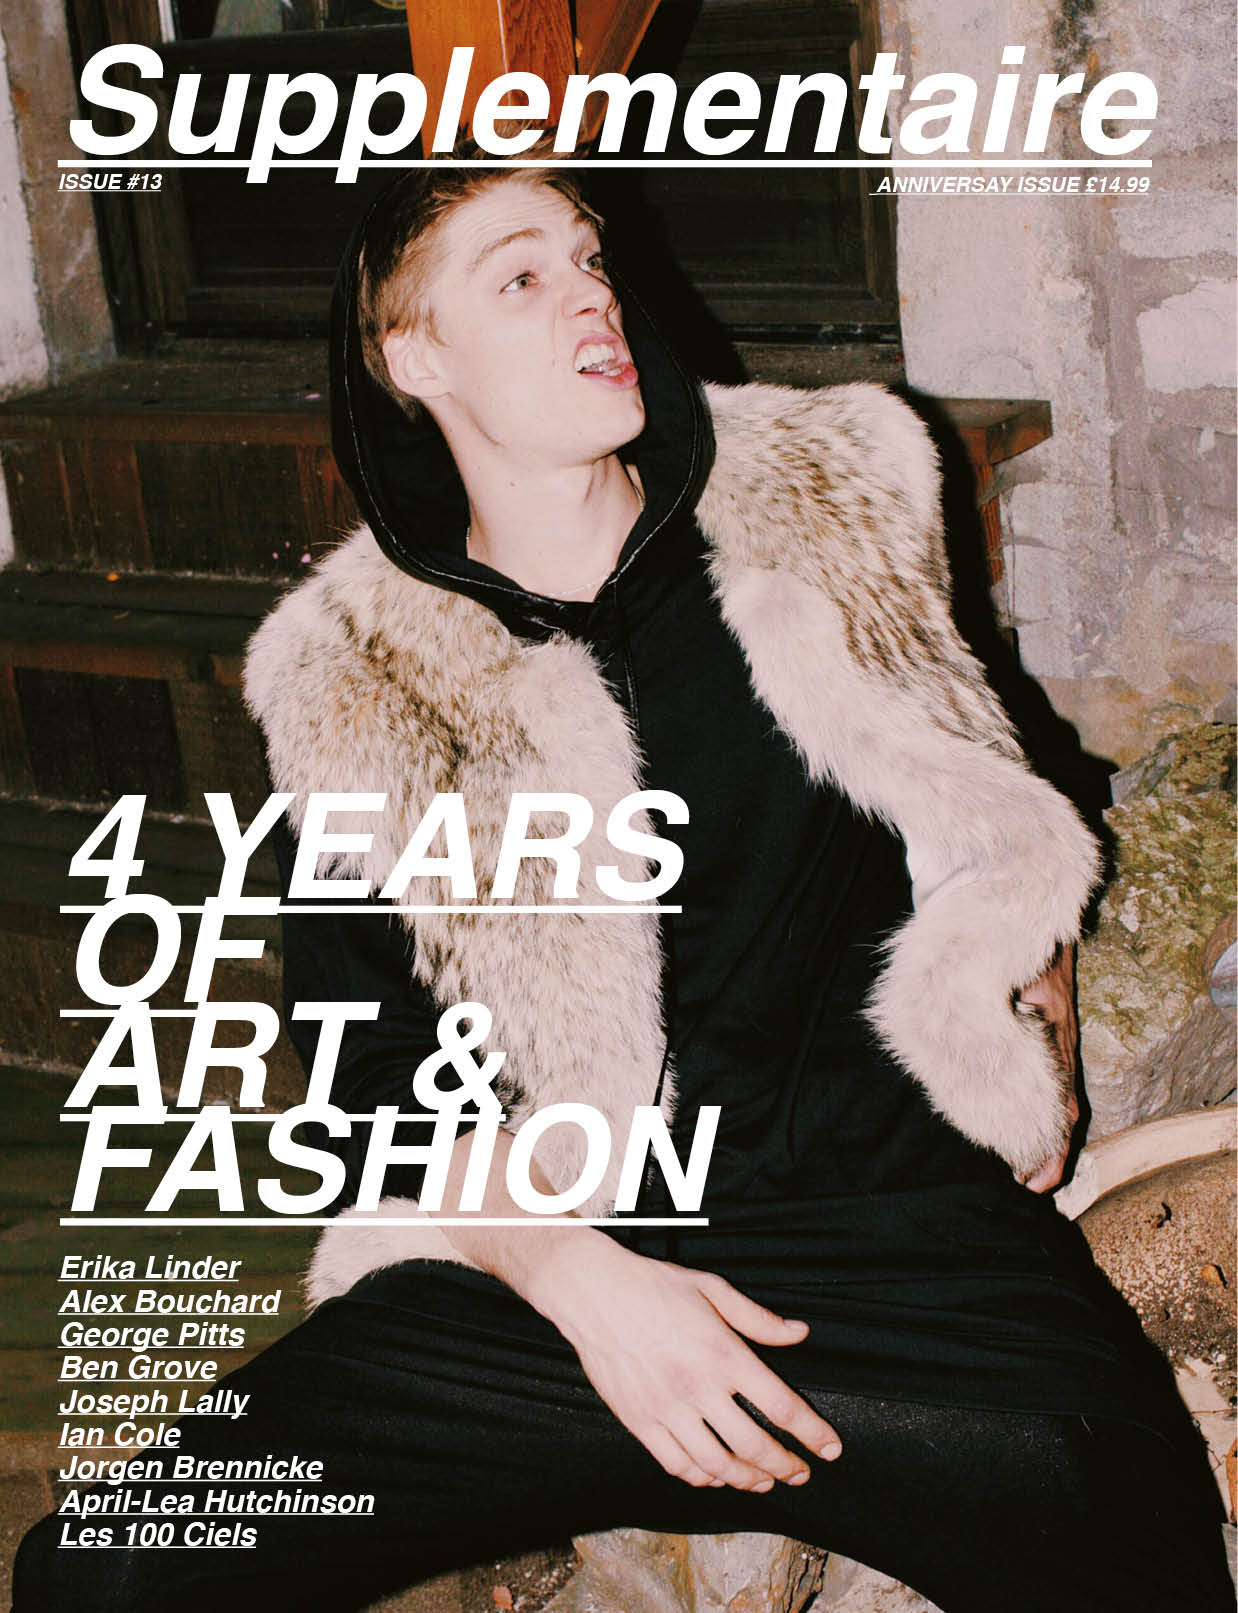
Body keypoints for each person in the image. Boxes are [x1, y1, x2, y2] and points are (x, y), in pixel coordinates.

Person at [15, 162, 1233, 1612]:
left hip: (898, 1236)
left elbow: (994, 765)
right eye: (519, 276)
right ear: (415, 357)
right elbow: (371, 1082)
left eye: (588, 259)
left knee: (1138, 1550)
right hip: (559, 1260)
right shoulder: (356, 670)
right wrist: (583, 1284)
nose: (590, 295)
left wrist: (1038, 973)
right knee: (104, 1571)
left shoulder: (824, 509)